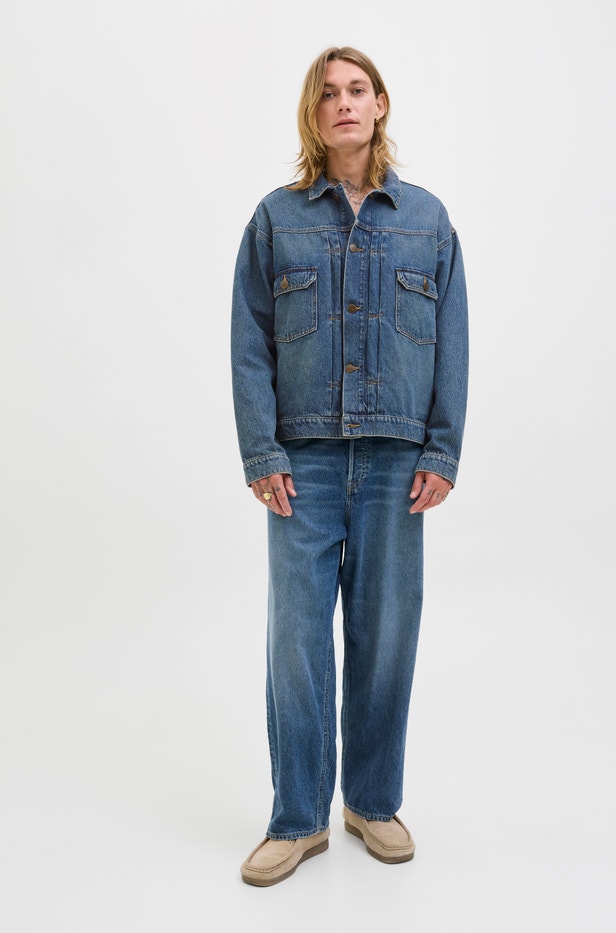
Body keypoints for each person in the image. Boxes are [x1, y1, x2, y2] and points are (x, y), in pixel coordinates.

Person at [230, 45, 469, 887]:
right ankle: (298, 818)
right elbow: (250, 342)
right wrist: (261, 449)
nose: (344, 103)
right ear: (314, 111)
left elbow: (452, 343)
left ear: (380, 104)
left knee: (387, 633)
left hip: (400, 462)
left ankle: (372, 801)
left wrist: (443, 448)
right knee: (296, 640)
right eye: (328, 92)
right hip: (302, 464)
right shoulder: (276, 218)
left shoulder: (427, 220)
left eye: (357, 90)